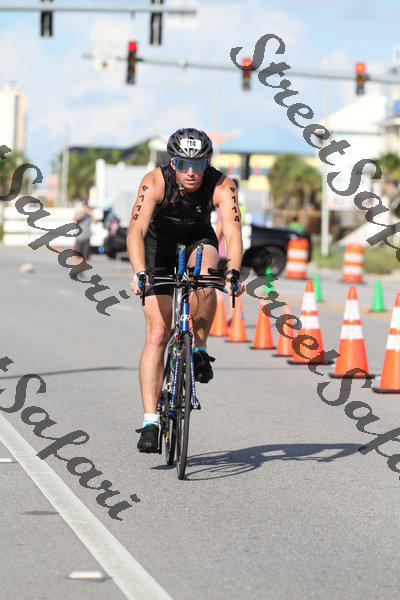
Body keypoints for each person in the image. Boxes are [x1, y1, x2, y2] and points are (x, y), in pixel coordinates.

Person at [127, 128, 244, 453]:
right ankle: (151, 421)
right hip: (158, 247)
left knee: (207, 276)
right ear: (172, 162)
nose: (191, 172)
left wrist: (233, 272)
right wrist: (139, 271)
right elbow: (135, 230)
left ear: (207, 163)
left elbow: (233, 232)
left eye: (199, 164)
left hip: (197, 240)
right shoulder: (154, 181)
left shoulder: (222, 184)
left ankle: (199, 348)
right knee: (158, 333)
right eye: (182, 164)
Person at [71, 200, 93, 274]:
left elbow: (95, 221)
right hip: (79, 237)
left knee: (84, 255)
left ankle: (81, 270)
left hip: (87, 237)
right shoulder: (79, 213)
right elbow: (75, 219)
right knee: (76, 254)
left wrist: (92, 213)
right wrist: (83, 212)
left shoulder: (88, 215)